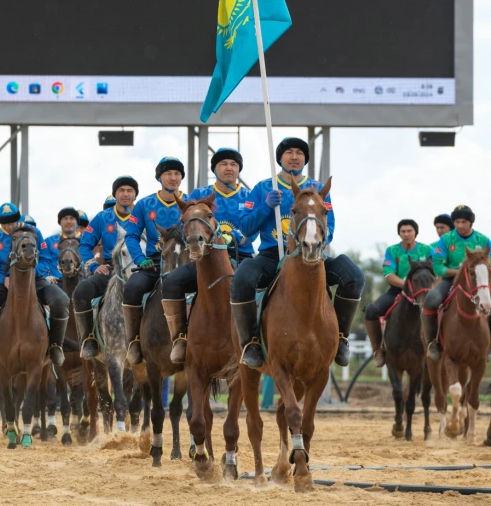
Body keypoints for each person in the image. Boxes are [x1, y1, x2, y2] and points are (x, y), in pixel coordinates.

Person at [231, 137, 365, 368]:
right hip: (271, 255)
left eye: (299, 153)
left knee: (354, 276)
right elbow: (245, 227)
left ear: (305, 159)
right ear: (280, 158)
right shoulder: (264, 188)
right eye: (289, 152)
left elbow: (329, 226)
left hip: (311, 255)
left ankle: (341, 338)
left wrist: (316, 242)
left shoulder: (318, 188)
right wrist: (266, 206)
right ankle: (250, 342)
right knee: (242, 277)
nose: (294, 156)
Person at [161, 147, 255, 363]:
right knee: (172, 282)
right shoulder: (198, 195)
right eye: (223, 164)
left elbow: (254, 227)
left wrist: (239, 236)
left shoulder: (249, 196)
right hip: (203, 259)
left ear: (239, 169)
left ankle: (254, 340)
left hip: (241, 257)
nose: (229, 168)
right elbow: (183, 224)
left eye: (233, 164)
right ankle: (180, 339)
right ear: (215, 169)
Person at [0, 203, 70, 368]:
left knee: (61, 299)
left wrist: (32, 274)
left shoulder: (34, 233)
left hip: (34, 281)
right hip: (5, 285)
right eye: (5, 224)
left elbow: (45, 259)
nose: (9, 226)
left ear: (18, 220)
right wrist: (3, 279)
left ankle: (55, 346)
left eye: (12, 222)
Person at [123, 157, 187, 365]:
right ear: (160, 177)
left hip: (185, 262)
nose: (173, 177)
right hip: (152, 262)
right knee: (132, 288)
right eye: (168, 173)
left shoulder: (190, 202)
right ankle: (134, 341)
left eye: (177, 174)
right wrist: (140, 260)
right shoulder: (143, 204)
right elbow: (131, 235)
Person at [74, 176, 139, 358]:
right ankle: (89, 339)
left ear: (135, 195)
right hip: (111, 270)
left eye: (130, 191)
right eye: (121, 191)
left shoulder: (142, 215)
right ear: (115, 194)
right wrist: (94, 266)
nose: (126, 194)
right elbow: (85, 245)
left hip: (140, 269)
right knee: (81, 291)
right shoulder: (103, 218)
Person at [422, 205, 490, 360]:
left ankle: (488, 346)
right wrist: (459, 272)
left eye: (464, 222)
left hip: (479, 281)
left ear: (471, 223)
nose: (460, 225)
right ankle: (433, 342)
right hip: (451, 280)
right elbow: (438, 266)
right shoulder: (446, 240)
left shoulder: (484, 240)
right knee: (431, 299)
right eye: (457, 222)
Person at [364, 219, 432, 367]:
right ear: (399, 233)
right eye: (403, 231)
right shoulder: (392, 251)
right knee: (371, 310)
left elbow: (436, 272)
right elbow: (388, 275)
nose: (406, 234)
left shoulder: (427, 251)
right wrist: (407, 286)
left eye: (409, 231)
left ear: (416, 232)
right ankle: (379, 350)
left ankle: (437, 346)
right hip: (398, 291)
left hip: (424, 292)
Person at [44, 207, 81, 282]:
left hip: (81, 283)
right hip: (56, 283)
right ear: (59, 222)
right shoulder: (49, 242)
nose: (68, 221)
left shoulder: (86, 241)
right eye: (65, 218)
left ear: (77, 222)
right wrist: (46, 277)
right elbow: (43, 261)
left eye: (72, 218)